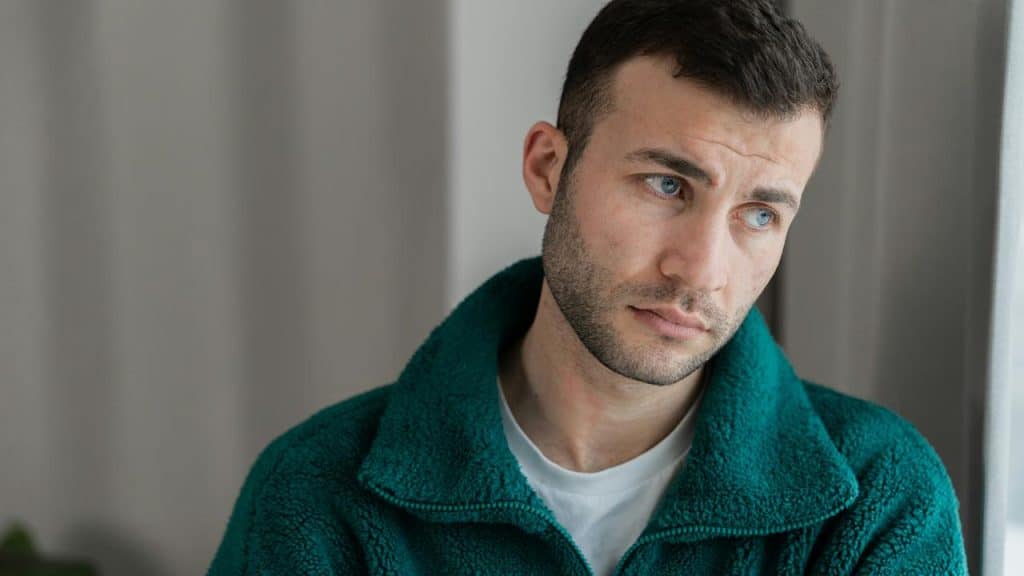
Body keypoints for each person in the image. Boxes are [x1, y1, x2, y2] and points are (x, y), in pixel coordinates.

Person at [208, 1, 967, 574]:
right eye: (666, 184)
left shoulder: (879, 499)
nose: (700, 269)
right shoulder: (317, 495)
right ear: (548, 169)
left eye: (759, 214)